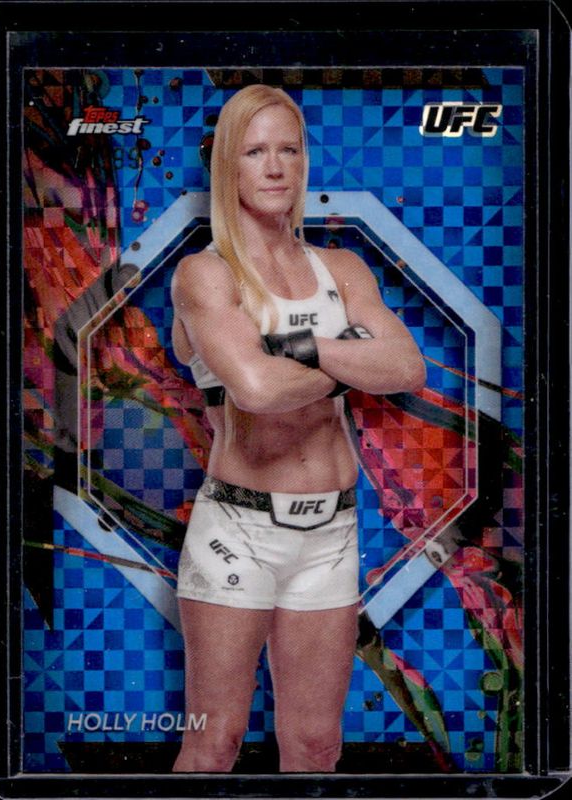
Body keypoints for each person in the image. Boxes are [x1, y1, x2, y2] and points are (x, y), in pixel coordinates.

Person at [170, 84, 425, 773]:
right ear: (228, 165)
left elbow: (406, 366)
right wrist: (350, 363)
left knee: (316, 747)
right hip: (238, 532)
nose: (276, 167)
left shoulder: (341, 269)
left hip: (331, 533)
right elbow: (255, 391)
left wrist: (302, 350)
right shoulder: (205, 275)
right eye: (255, 152)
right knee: (214, 744)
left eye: (289, 149)